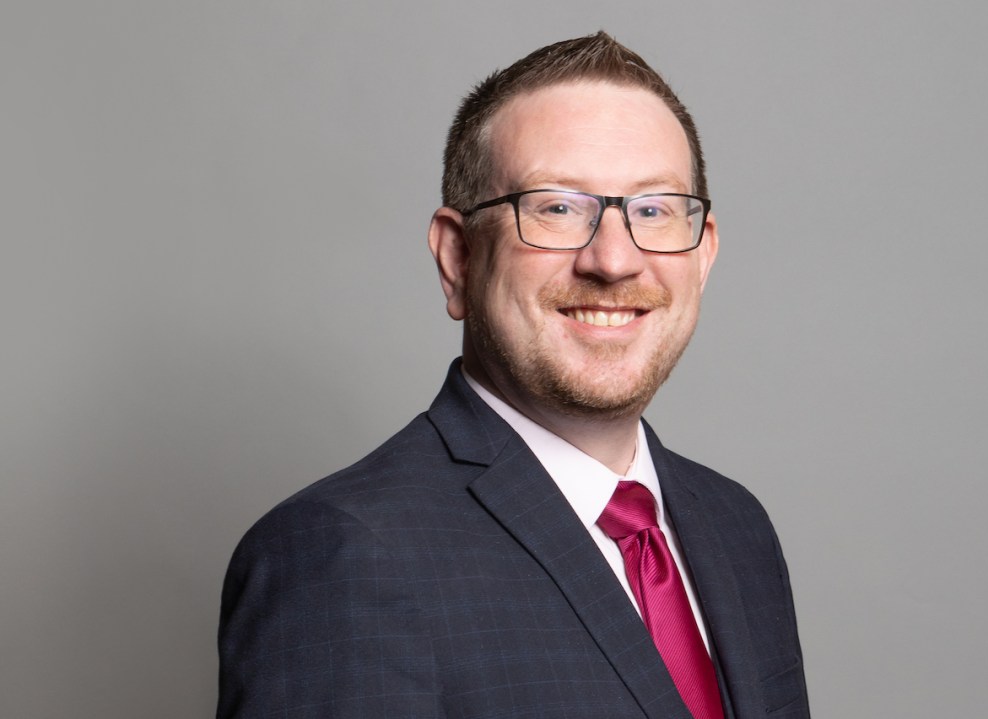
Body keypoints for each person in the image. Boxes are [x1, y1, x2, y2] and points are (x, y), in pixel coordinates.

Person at [217, 32, 809, 719]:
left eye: (653, 210)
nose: (614, 261)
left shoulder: (737, 528)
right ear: (458, 259)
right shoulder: (344, 555)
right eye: (557, 207)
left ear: (702, 257)